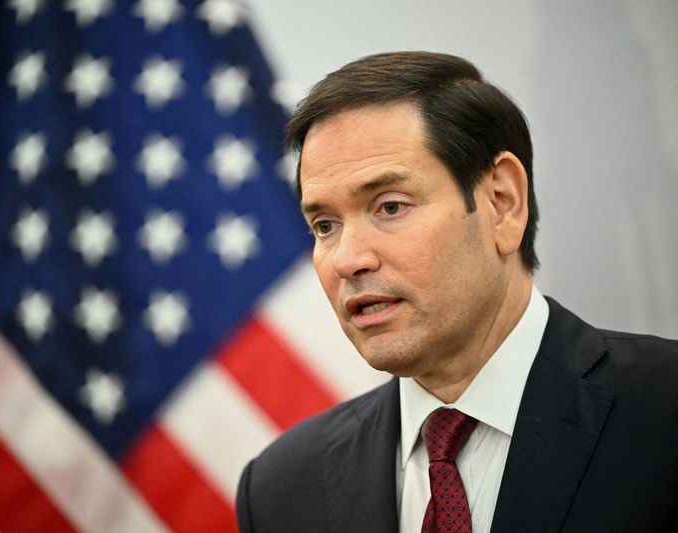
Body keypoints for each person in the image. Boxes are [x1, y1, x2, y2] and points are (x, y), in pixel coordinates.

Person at [236, 51, 678, 532]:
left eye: (390, 206)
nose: (347, 259)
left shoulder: (664, 409)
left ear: (502, 203)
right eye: (324, 225)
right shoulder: (280, 489)